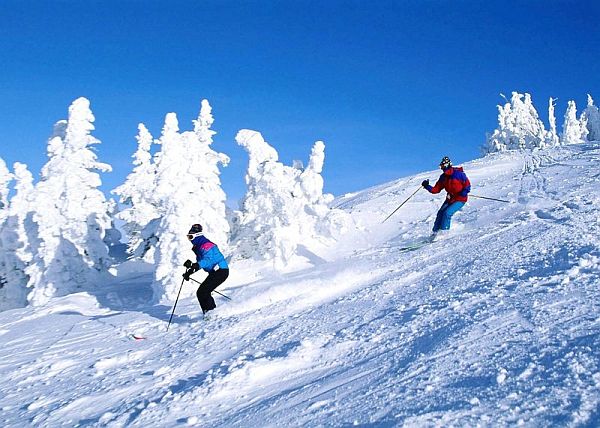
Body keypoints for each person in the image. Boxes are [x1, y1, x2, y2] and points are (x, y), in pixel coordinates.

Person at [183, 223, 229, 314]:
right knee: (202, 292)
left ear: (197, 236)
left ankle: (211, 313)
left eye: (190, 237)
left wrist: (195, 265)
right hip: (216, 272)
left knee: (203, 292)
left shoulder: (206, 245)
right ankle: (209, 313)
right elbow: (202, 263)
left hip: (221, 271)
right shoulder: (199, 247)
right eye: (188, 237)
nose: (189, 240)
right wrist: (190, 272)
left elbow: (208, 260)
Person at [421, 156, 471, 237]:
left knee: (447, 213)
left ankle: (444, 234)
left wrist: (464, 192)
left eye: (443, 166)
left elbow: (467, 185)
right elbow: (436, 190)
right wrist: (427, 186)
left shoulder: (459, 174)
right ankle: (435, 233)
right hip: (450, 199)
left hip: (460, 199)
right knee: (440, 213)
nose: (442, 168)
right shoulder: (443, 177)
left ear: (448, 165)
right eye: (441, 166)